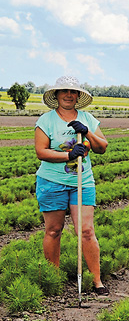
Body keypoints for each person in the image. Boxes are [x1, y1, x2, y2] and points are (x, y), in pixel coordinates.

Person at [34, 76, 110, 295]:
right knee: (53, 230)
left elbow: (102, 147)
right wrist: (68, 154)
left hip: (82, 182)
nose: (68, 95)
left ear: (78, 96)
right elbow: (41, 151)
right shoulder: (46, 120)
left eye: (73, 91)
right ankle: (53, 278)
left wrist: (86, 132)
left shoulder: (87, 118)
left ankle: (97, 281)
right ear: (56, 95)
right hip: (52, 182)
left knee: (86, 230)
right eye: (64, 91)